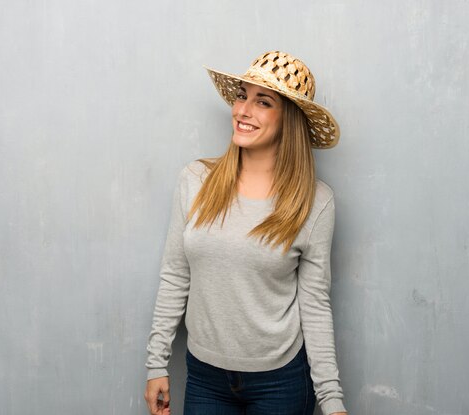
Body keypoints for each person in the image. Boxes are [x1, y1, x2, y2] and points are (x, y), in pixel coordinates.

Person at [144, 51, 348, 415]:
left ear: (289, 121)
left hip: (281, 383)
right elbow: (175, 275)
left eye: (263, 102)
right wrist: (156, 364)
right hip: (205, 379)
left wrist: (332, 402)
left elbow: (314, 305)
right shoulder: (195, 180)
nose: (242, 110)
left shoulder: (316, 203)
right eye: (242, 95)